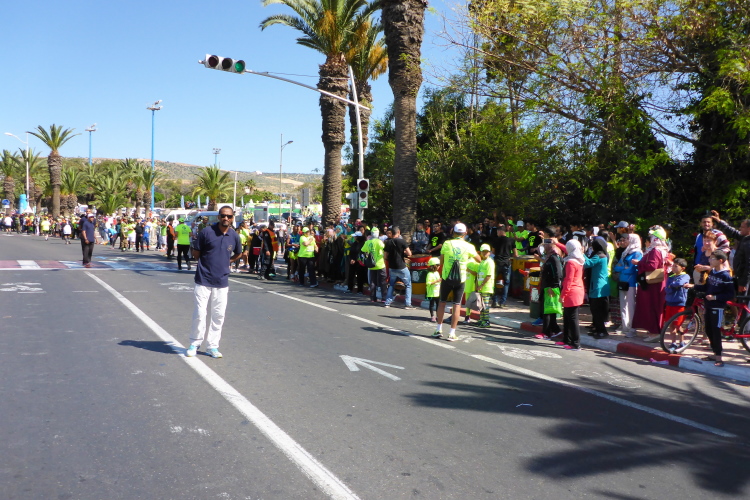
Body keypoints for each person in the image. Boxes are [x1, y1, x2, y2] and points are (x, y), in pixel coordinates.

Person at [186, 206, 242, 359]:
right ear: (218, 217)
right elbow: (196, 253)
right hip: (203, 279)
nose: (226, 218)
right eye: (223, 216)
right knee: (200, 313)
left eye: (229, 216)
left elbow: (239, 253)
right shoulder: (207, 232)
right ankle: (195, 343)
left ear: (232, 218)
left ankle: (212, 346)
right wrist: (207, 263)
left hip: (222, 281)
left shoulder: (234, 235)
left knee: (218, 315)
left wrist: (227, 262)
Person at [432, 223, 481, 341]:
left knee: (442, 303)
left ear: (453, 232)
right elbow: (479, 259)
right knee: (457, 305)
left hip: (446, 277)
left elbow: (441, 262)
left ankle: (438, 329)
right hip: (461, 279)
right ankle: (452, 333)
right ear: (465, 233)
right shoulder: (469, 246)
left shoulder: (447, 243)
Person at [633, 226, 670, 342]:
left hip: (653, 284)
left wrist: (639, 263)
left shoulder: (655, 251)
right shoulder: (664, 250)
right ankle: (654, 331)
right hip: (659, 282)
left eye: (652, 237)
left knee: (652, 307)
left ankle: (655, 332)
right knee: (656, 306)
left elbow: (652, 266)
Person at [614, 233, 642, 337]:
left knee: (630, 306)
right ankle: (625, 326)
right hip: (623, 281)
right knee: (623, 305)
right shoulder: (626, 252)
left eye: (628, 239)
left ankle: (632, 328)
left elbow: (632, 269)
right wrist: (623, 268)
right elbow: (617, 267)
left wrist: (623, 268)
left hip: (631, 282)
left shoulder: (637, 253)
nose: (627, 240)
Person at [559, 239, 585, 350]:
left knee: (572, 318)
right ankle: (567, 340)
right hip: (577, 290)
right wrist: (556, 243)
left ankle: (575, 343)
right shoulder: (579, 259)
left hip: (571, 292)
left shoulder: (570, 262)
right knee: (568, 317)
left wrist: (562, 295)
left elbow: (568, 280)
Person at [584, 236, 611, 338]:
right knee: (598, 309)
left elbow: (587, 264)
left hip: (597, 286)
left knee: (596, 310)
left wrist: (582, 253)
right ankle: (598, 329)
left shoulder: (598, 256)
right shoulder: (603, 255)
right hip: (600, 285)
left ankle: (602, 331)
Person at [663, 258, 693, 351]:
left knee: (678, 324)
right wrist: (673, 286)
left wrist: (672, 285)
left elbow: (680, 283)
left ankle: (682, 341)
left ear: (682, 268)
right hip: (669, 303)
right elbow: (667, 289)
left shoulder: (685, 276)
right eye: (673, 266)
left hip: (679, 303)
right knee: (670, 324)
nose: (673, 268)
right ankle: (673, 343)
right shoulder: (671, 277)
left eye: (676, 266)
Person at [538, 240, 563, 340]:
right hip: (547, 287)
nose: (544, 248)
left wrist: (554, 287)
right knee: (550, 310)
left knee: (547, 310)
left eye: (545, 246)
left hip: (550, 288)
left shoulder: (554, 258)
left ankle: (546, 333)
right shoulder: (549, 257)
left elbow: (558, 274)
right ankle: (555, 329)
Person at [384, 226, 414, 309]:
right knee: (408, 285)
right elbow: (409, 254)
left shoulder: (388, 242)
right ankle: (407, 304)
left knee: (391, 284)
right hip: (401, 266)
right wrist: (403, 251)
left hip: (392, 267)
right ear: (398, 232)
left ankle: (387, 303)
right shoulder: (402, 241)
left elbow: (385, 256)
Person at [491, 224, 517, 308]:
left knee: (494, 281)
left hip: (497, 263)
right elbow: (516, 254)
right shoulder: (511, 240)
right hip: (507, 263)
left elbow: (493, 252)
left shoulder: (495, 240)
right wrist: (509, 256)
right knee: (506, 283)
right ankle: (502, 302)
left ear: (500, 231)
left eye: (497, 231)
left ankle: (495, 301)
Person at [361, 227, 387, 302]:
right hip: (380, 264)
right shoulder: (379, 242)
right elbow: (384, 248)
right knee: (383, 281)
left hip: (371, 264)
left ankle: (373, 298)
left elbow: (363, 250)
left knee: (372, 281)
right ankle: (384, 298)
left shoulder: (368, 242)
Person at [474, 244, 496, 327]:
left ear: (489, 252)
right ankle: (481, 320)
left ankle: (486, 321)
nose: (485, 253)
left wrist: (481, 285)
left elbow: (488, 275)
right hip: (481, 287)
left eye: (486, 252)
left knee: (485, 305)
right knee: (481, 305)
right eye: (483, 251)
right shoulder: (482, 262)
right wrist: (477, 285)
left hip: (486, 287)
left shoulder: (489, 262)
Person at [426, 257, 442, 322]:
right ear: (435, 266)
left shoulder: (437, 273)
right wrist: (437, 281)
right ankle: (432, 316)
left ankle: (438, 316)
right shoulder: (429, 274)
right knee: (432, 304)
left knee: (438, 304)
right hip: (432, 292)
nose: (439, 267)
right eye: (438, 265)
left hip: (437, 291)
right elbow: (428, 283)